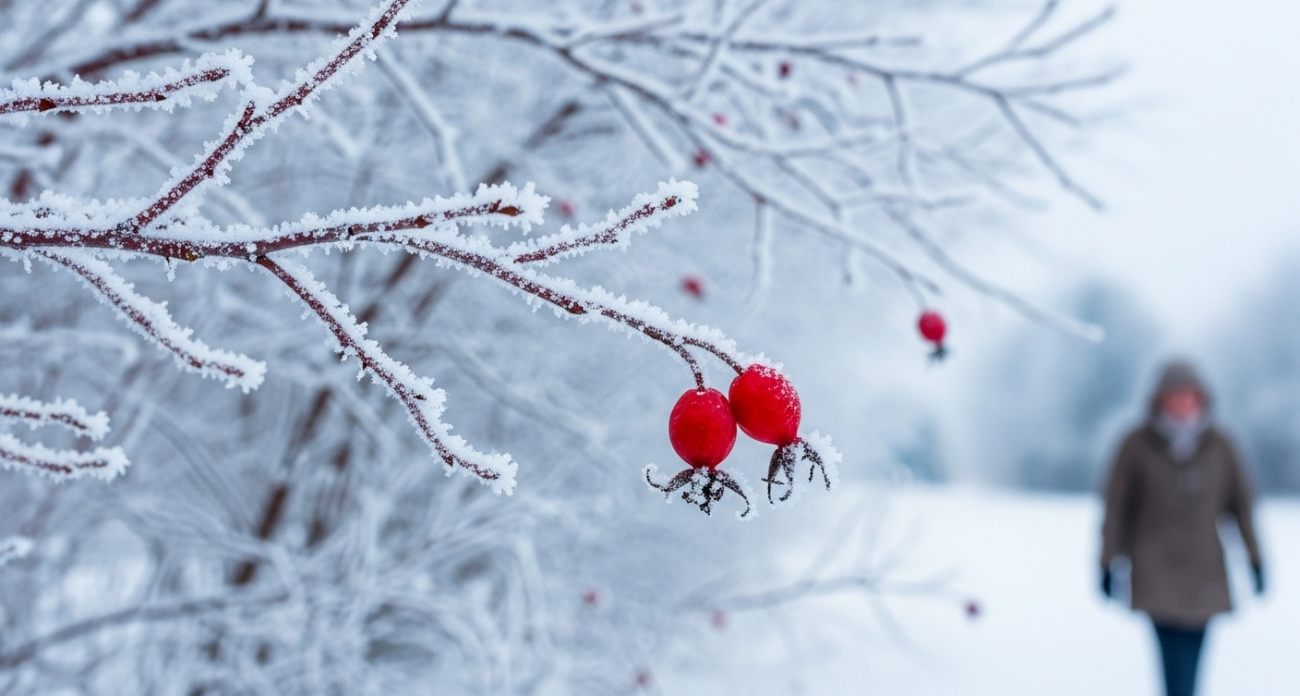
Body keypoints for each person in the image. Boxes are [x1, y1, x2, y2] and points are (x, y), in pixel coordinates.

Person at [1100, 360, 1264, 696]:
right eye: (1175, 396)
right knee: (1170, 656)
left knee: (1193, 657)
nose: (1183, 403)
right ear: (1159, 400)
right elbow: (1116, 509)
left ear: (1202, 399)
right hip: (1153, 567)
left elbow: (1241, 507)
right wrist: (1106, 560)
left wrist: (1256, 559)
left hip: (1204, 569)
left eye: (1189, 396)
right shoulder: (1135, 445)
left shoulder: (1221, 446)